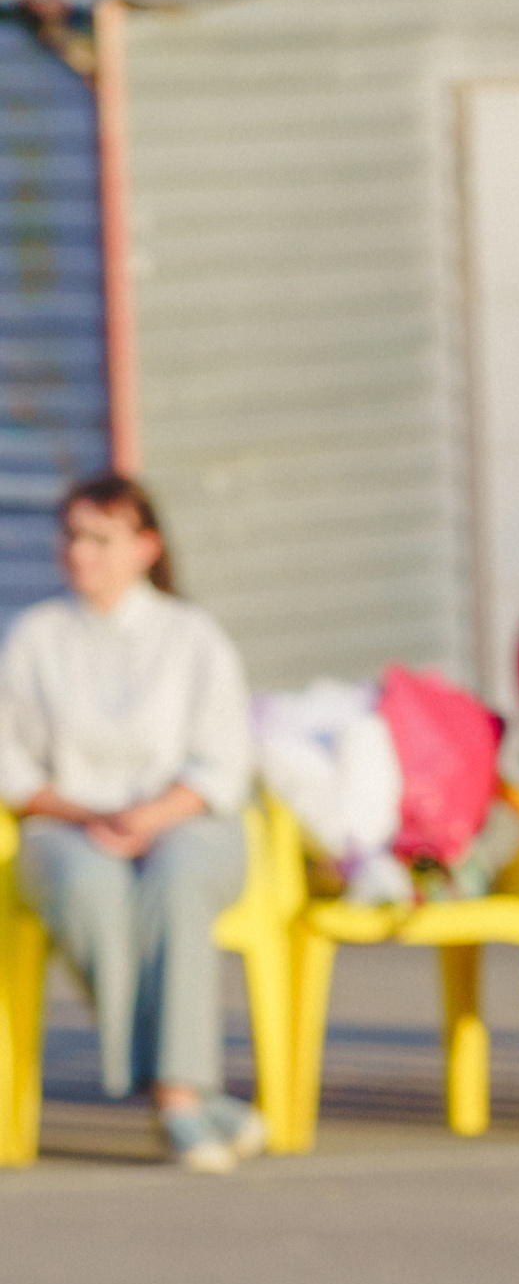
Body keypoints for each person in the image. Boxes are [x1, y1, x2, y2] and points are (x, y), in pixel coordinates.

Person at [0, 473, 262, 1171]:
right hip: (69, 823)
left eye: (101, 539)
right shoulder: (34, 637)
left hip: (183, 819)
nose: (81, 553)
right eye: (73, 537)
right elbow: (11, 762)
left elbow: (224, 763)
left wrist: (152, 815)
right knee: (90, 892)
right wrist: (84, 810)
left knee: (176, 886)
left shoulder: (191, 635)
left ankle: (175, 1094)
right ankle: (187, 1096)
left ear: (146, 547)